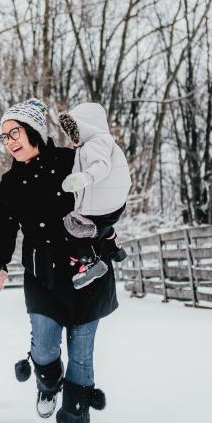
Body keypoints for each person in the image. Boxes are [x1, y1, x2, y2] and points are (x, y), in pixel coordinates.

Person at [0, 98, 118, 423]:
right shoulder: (10, 183)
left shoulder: (73, 162)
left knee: (82, 354)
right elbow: (6, 230)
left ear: (34, 131)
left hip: (86, 268)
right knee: (44, 346)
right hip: (42, 274)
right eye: (4, 136)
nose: (10, 141)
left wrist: (102, 229)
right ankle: (48, 383)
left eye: (15, 132)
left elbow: (109, 199)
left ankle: (74, 420)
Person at [58, 102, 132, 289]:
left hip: (102, 205)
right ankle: (115, 248)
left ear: (87, 126)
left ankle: (91, 263)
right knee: (99, 226)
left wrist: (84, 178)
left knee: (72, 227)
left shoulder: (95, 143)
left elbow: (102, 166)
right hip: (113, 204)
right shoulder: (105, 142)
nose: (73, 137)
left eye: (76, 130)